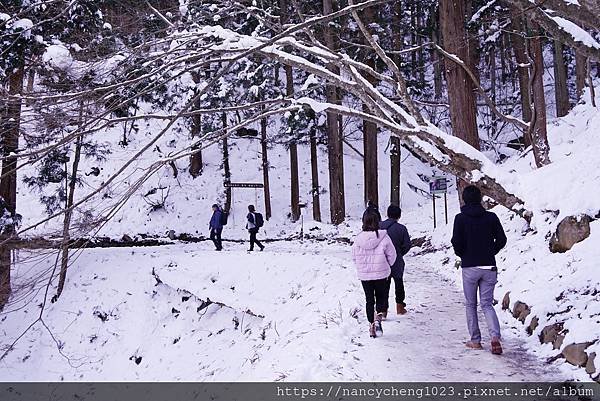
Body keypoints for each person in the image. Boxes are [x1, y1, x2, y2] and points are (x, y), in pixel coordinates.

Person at [451, 185, 507, 355]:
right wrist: (492, 251)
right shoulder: (491, 217)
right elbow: (502, 239)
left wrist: (464, 254)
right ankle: (495, 338)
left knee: (470, 304)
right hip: (489, 266)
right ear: (480, 199)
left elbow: (456, 242)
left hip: (470, 267)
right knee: (487, 304)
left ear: (465, 199)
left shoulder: (460, 218)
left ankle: (475, 341)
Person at [352, 211, 397, 338]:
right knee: (381, 297)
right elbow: (392, 255)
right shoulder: (384, 237)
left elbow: (354, 258)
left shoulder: (357, 240)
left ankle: (371, 325)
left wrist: (362, 268)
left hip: (365, 276)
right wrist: (387, 265)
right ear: (377, 221)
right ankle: (378, 318)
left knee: (369, 300)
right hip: (381, 274)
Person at [379, 204, 411, 316]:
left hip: (382, 261)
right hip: (397, 260)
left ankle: (383, 310)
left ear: (387, 214)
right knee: (399, 283)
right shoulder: (401, 229)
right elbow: (407, 245)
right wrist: (399, 253)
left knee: (383, 286)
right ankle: (400, 306)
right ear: (399, 215)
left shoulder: (379, 226)